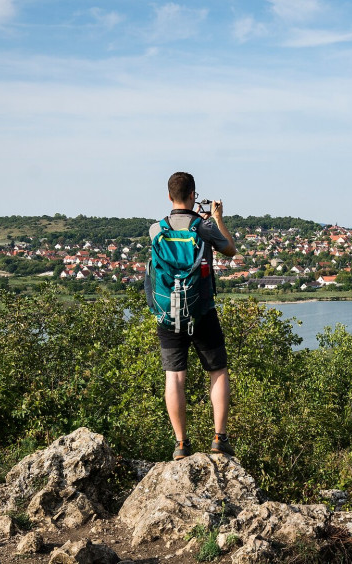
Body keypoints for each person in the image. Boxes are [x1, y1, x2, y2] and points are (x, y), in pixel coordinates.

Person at [152, 171, 238, 460]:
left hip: (168, 313)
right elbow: (229, 250)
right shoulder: (204, 228)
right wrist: (216, 218)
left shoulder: (156, 230)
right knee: (218, 371)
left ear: (168, 196)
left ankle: (180, 444)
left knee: (174, 378)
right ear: (192, 195)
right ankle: (219, 438)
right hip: (201, 310)